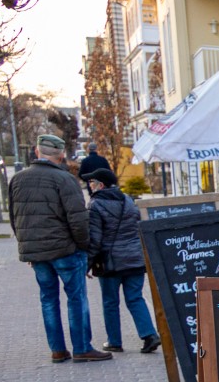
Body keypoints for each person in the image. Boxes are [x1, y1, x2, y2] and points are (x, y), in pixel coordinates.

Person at [9, 134, 111, 363]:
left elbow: (16, 218)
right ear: (62, 154)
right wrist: (85, 248)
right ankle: (82, 348)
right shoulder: (65, 179)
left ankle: (57, 349)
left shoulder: (17, 180)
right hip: (65, 250)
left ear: (37, 152)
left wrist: (27, 246)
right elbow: (78, 219)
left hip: (37, 252)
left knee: (48, 299)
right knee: (76, 298)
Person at [84, 168, 160, 355]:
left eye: (92, 182)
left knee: (110, 301)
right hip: (134, 259)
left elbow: (95, 238)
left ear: (100, 185)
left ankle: (114, 341)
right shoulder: (128, 200)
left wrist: (87, 263)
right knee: (135, 298)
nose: (89, 186)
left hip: (110, 261)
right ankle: (150, 335)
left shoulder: (95, 204)